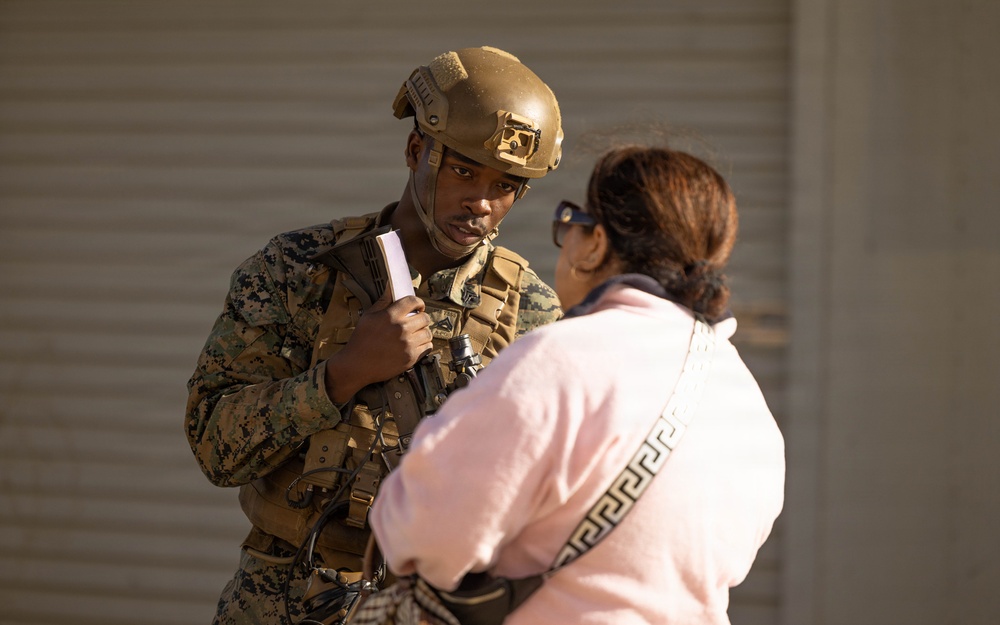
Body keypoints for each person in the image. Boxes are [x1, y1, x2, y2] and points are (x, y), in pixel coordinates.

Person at [184, 46, 565, 625]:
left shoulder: (532, 311)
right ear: (416, 151)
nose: (482, 203)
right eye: (464, 171)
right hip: (281, 600)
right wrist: (343, 374)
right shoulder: (297, 269)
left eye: (506, 185)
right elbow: (215, 447)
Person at [367, 145, 786, 625]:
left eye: (571, 224)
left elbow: (423, 534)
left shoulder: (559, 359)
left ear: (595, 243)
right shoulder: (748, 405)